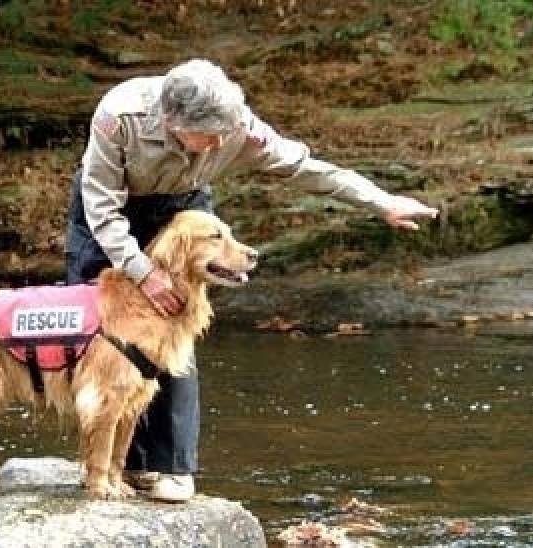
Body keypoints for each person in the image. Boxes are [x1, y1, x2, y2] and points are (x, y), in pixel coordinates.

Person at [65, 58, 438, 502]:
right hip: (109, 210)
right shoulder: (118, 116)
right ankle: (104, 464)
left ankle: (166, 467)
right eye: (212, 136)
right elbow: (103, 213)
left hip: (183, 211)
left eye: (228, 131)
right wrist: (143, 274)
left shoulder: (235, 124)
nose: (223, 142)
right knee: (99, 337)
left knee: (171, 331)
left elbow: (304, 166)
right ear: (172, 122)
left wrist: (380, 201)